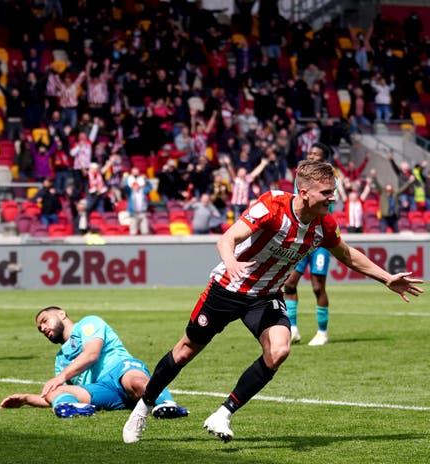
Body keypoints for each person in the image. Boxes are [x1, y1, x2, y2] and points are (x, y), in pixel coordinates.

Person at [122, 160, 423, 444]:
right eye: (327, 193)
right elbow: (227, 238)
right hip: (228, 289)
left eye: (333, 191)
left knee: (279, 350)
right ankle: (144, 406)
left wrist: (386, 278)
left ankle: (222, 414)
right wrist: (230, 262)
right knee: (186, 351)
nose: (333, 198)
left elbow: (346, 254)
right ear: (304, 193)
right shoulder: (273, 206)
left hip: (265, 297)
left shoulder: (323, 224)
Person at [0, 306, 188, 420]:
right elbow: (53, 395)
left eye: (44, 320)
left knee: (136, 383)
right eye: (40, 329)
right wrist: (25, 399)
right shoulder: (60, 359)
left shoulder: (88, 323)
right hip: (100, 389)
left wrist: (61, 377)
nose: (43, 328)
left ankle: (166, 404)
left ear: (62, 314)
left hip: (120, 368)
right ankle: (73, 410)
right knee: (55, 390)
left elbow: (92, 354)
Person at [283, 142, 335, 346]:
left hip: (319, 239)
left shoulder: (329, 182)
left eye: (316, 155)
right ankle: (293, 329)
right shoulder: (302, 180)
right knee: (289, 283)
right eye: (310, 153)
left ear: (323, 160)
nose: (311, 156)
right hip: (301, 238)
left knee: (317, 286)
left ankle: (322, 332)